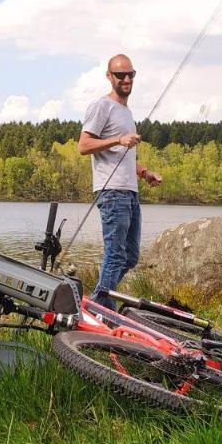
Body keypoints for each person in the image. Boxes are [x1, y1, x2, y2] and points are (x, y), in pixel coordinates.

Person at [79, 53, 163, 307]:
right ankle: (100, 310)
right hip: (112, 192)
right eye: (120, 75)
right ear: (109, 76)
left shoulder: (126, 112)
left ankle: (98, 303)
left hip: (130, 192)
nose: (126, 79)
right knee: (115, 256)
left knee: (130, 258)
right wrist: (118, 139)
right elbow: (84, 145)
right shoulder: (101, 106)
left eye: (130, 75)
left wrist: (144, 173)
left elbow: (121, 156)